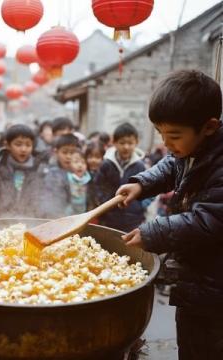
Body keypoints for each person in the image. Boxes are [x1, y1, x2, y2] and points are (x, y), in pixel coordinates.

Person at [116, 70, 223, 360]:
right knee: (189, 341)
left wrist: (154, 232)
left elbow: (208, 221)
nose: (166, 143)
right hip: (194, 281)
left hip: (215, 286)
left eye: (173, 135)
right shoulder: (189, 149)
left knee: (207, 347)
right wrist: (142, 183)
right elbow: (170, 164)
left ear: (209, 127)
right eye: (161, 134)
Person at [95, 122, 147, 232]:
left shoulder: (140, 166)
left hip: (132, 218)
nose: (126, 147)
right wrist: (103, 202)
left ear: (136, 142)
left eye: (130, 143)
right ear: (114, 142)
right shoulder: (106, 164)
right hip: (108, 216)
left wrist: (141, 205)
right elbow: (98, 185)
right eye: (122, 143)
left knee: (128, 246)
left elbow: (149, 187)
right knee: (106, 243)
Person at [0, 124, 45, 218]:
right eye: (18, 144)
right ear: (7, 145)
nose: (23, 149)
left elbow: (40, 200)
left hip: (30, 220)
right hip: (2, 220)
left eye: (28, 145)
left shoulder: (39, 169)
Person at [42, 134, 80, 218]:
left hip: (79, 216)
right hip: (58, 217)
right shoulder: (52, 174)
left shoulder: (83, 173)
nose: (68, 156)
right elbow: (51, 202)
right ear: (56, 152)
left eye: (72, 152)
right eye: (64, 152)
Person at [66, 150, 91, 215]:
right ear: (69, 164)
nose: (80, 165)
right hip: (68, 212)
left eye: (83, 162)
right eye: (76, 162)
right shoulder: (67, 177)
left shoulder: (88, 179)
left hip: (82, 211)